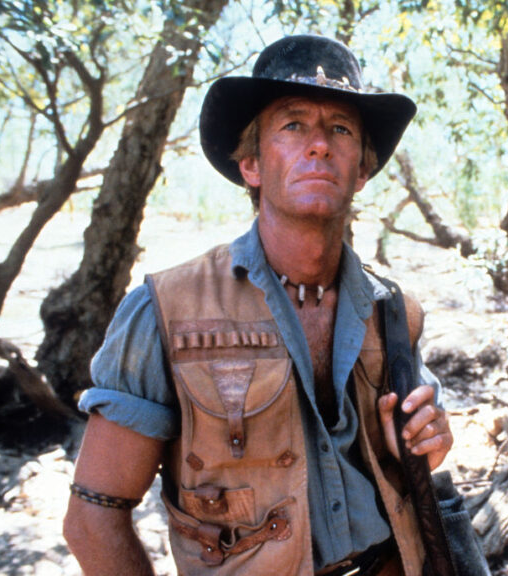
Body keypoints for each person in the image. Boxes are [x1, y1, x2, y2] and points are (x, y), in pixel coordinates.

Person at [63, 35, 453, 576]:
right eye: (293, 125)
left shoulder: (394, 312)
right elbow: (93, 517)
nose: (319, 145)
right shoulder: (166, 310)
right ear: (251, 165)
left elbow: (419, 462)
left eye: (341, 129)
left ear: (362, 170)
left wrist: (424, 443)